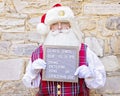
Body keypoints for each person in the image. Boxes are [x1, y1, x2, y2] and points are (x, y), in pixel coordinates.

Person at [22, 3, 106, 96]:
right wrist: (33, 71)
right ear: (49, 28)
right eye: (55, 24)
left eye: (63, 23)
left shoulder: (84, 51)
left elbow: (100, 82)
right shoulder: (38, 53)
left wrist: (90, 74)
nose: (59, 27)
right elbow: (30, 83)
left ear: (70, 25)